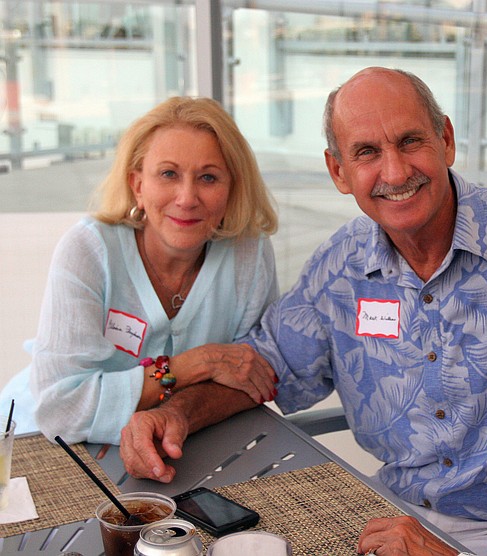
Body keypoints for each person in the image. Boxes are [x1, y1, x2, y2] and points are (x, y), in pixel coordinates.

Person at [118, 67, 487, 556]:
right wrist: (174, 414)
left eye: (410, 141)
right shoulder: (340, 266)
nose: (395, 173)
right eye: (367, 152)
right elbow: (263, 366)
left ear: (446, 140)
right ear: (338, 171)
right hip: (396, 522)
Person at [0, 96, 280, 445]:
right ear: (137, 185)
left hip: (185, 443)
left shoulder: (249, 254)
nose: (187, 198)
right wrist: (197, 364)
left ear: (232, 188)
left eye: (208, 177)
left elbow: (255, 376)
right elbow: (62, 409)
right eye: (168, 174)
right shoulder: (89, 251)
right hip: (39, 443)